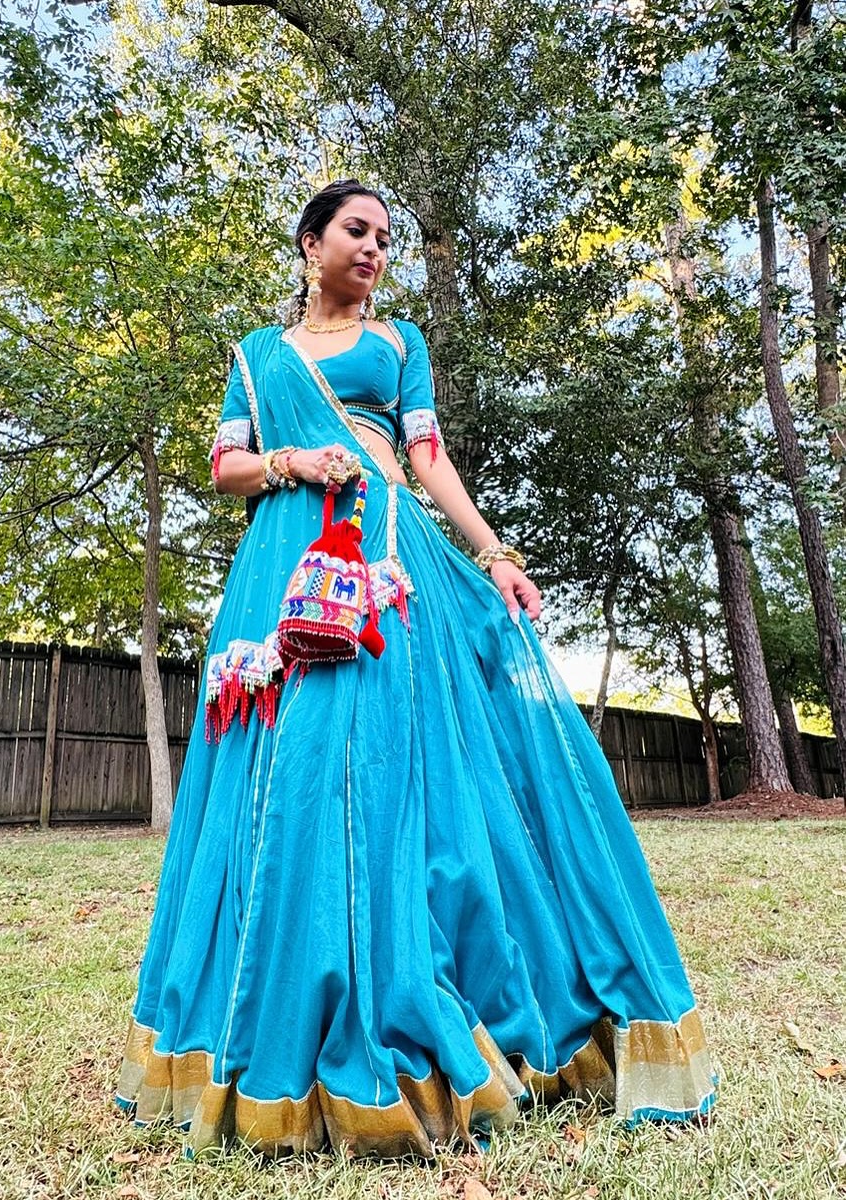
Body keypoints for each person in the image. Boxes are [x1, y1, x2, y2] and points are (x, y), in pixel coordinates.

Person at [115, 179, 715, 1159]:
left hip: (385, 560)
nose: (375, 249)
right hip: (284, 568)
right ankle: (280, 1011)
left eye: (387, 238)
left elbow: (428, 457)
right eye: (357, 230)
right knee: (289, 774)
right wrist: (295, 463)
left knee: (401, 774)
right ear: (311, 244)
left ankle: (430, 988)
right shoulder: (258, 358)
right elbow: (225, 465)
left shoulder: (397, 346)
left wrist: (492, 553)